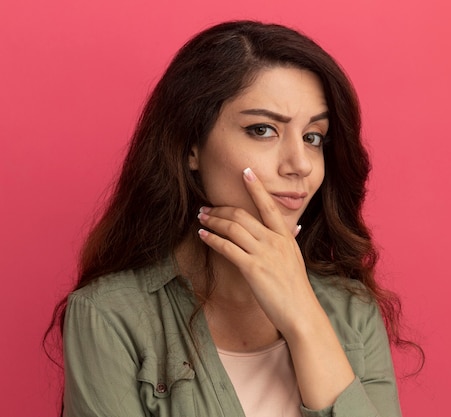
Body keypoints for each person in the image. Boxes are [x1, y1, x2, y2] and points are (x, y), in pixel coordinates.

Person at [47, 20, 417, 417]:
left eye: (313, 137)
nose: (299, 165)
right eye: (262, 129)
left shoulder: (353, 311)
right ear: (191, 147)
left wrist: (303, 315)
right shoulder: (108, 317)